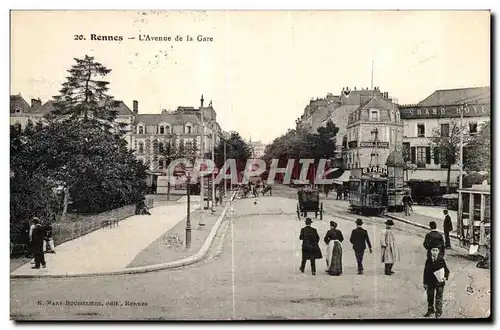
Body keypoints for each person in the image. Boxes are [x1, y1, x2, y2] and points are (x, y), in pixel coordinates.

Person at [423, 247, 450, 318]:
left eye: (436, 250)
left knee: (439, 297)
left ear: (438, 251)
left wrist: (445, 277)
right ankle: (430, 310)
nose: (434, 252)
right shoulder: (428, 260)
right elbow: (425, 272)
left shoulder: (441, 260)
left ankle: (438, 312)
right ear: (430, 251)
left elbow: (446, 270)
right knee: (430, 296)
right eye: (433, 250)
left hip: (439, 282)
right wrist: (425, 283)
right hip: (430, 282)